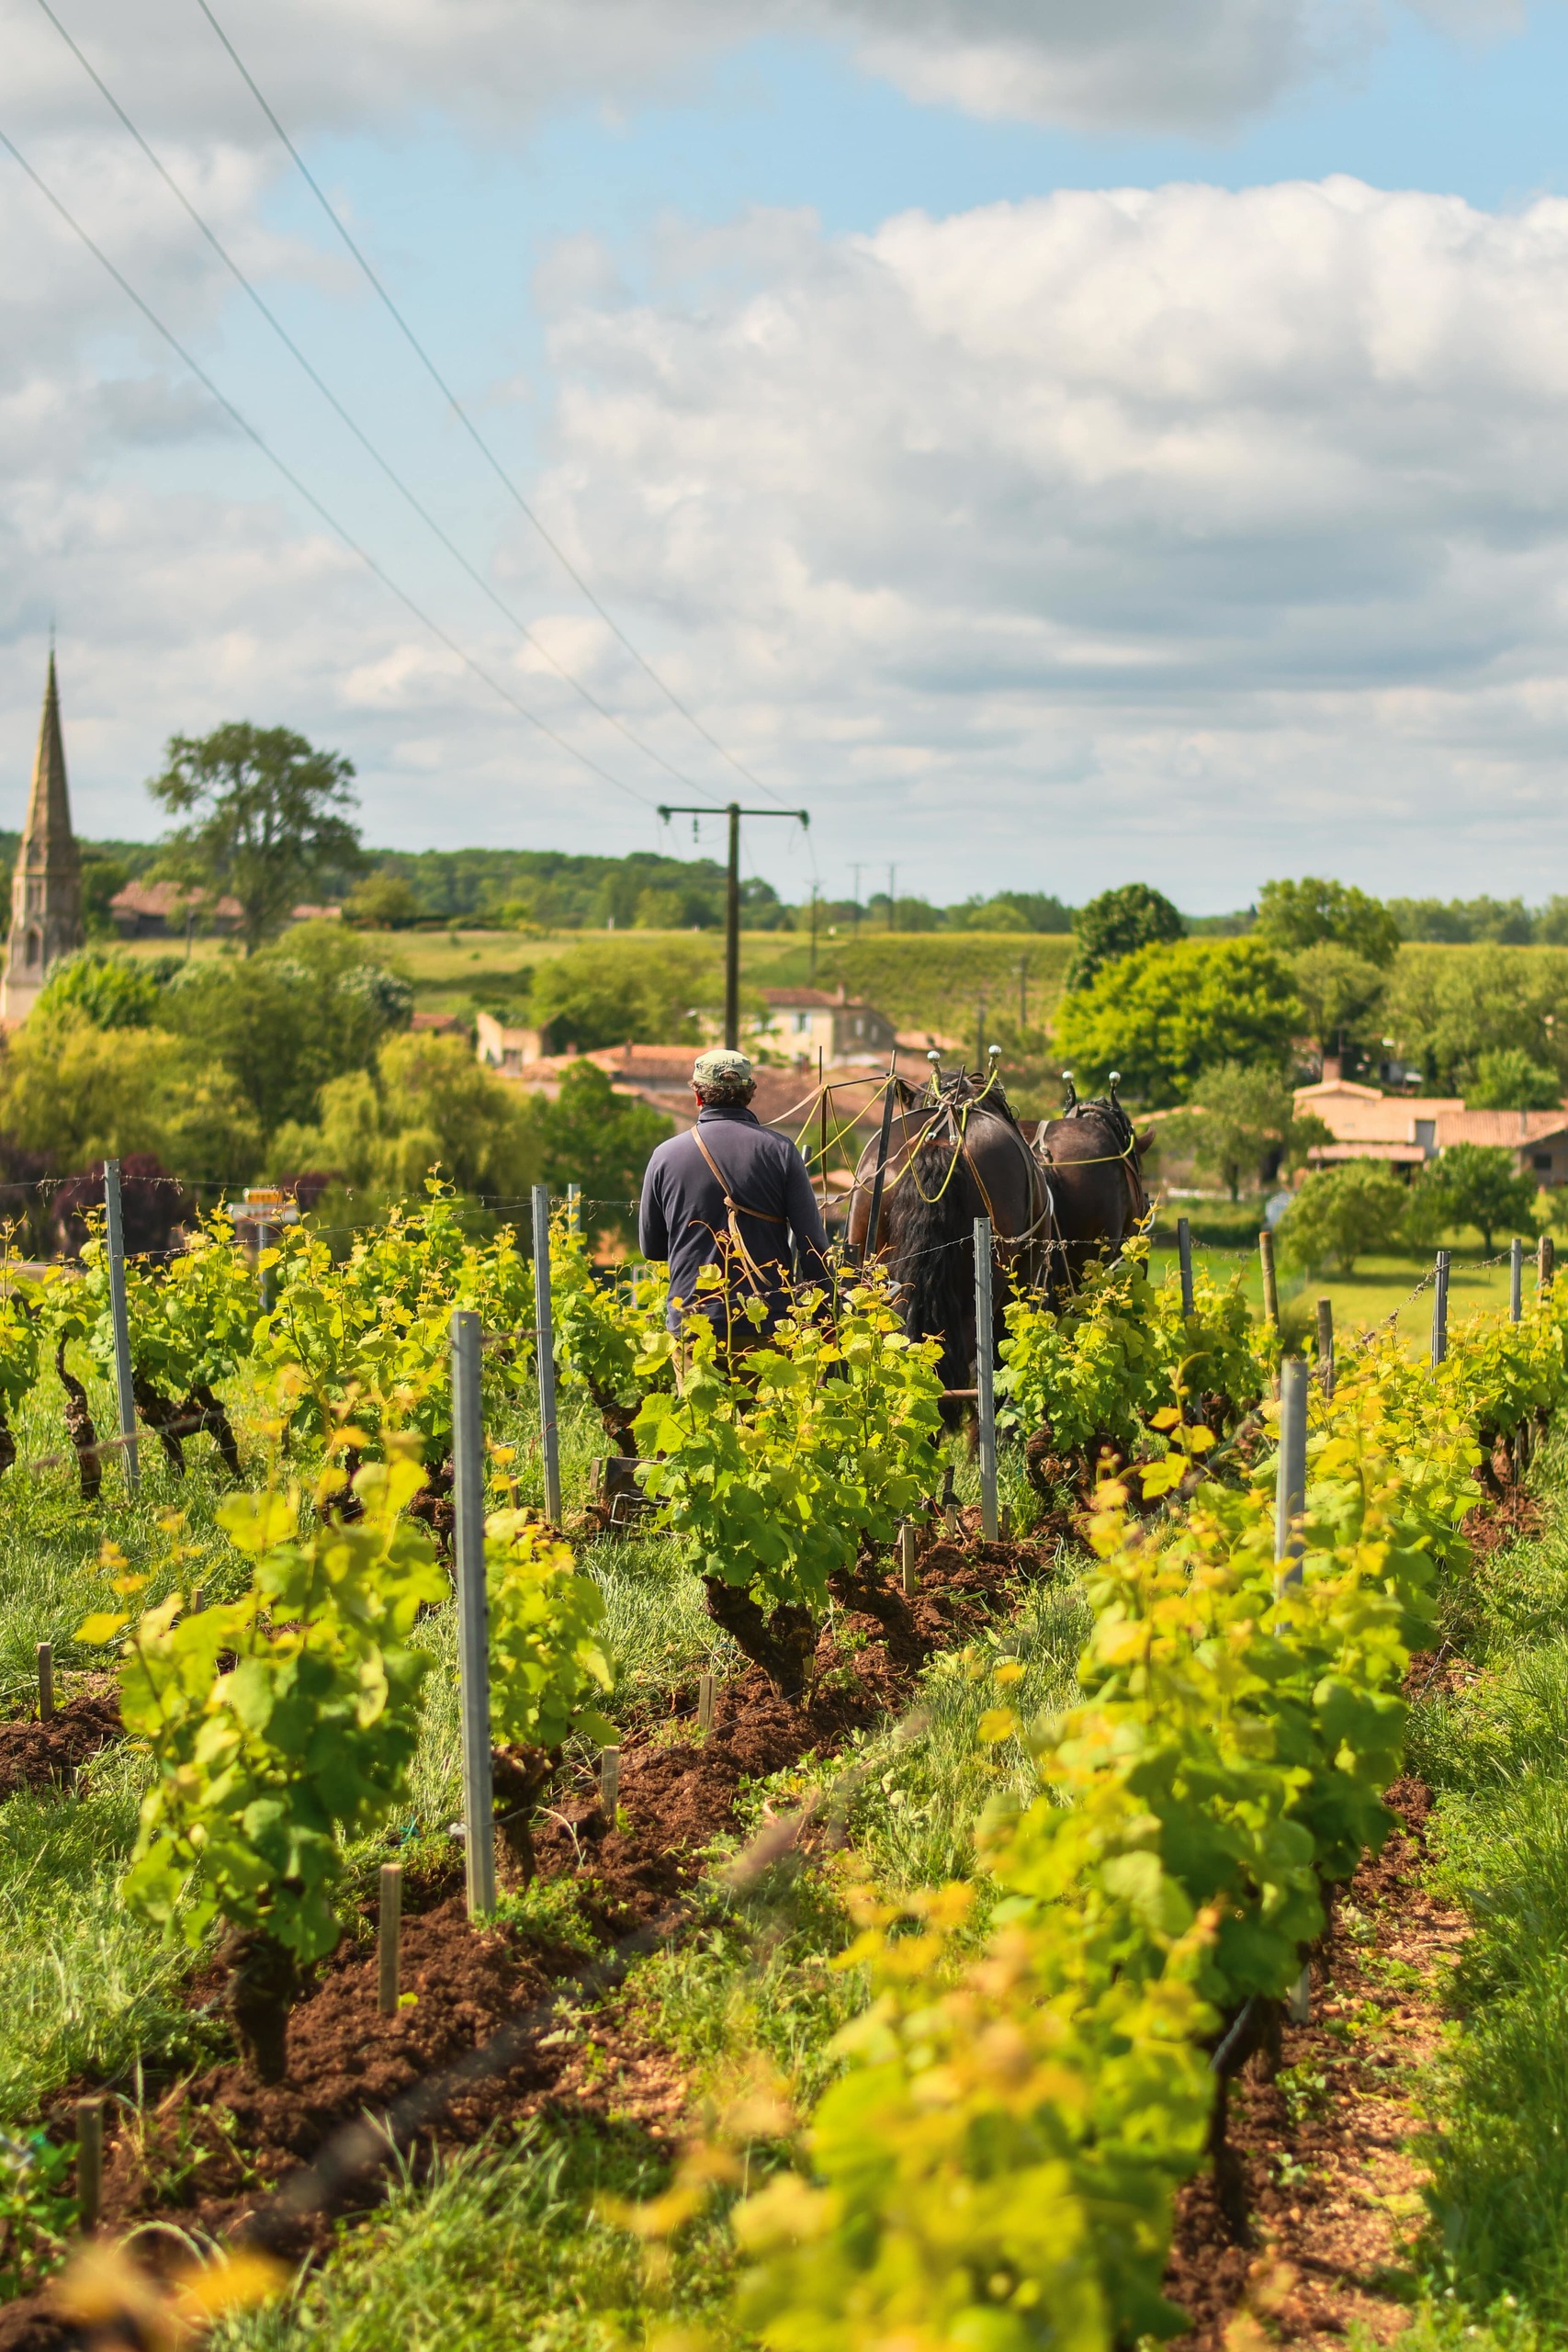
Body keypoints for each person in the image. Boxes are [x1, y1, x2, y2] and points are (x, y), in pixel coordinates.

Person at [638, 1048, 830, 1338]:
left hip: (693, 1321)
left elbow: (651, 1248)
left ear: (698, 1096)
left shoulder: (664, 1156)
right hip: (767, 1322)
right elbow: (812, 1244)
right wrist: (824, 1313)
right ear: (751, 1093)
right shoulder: (780, 1151)